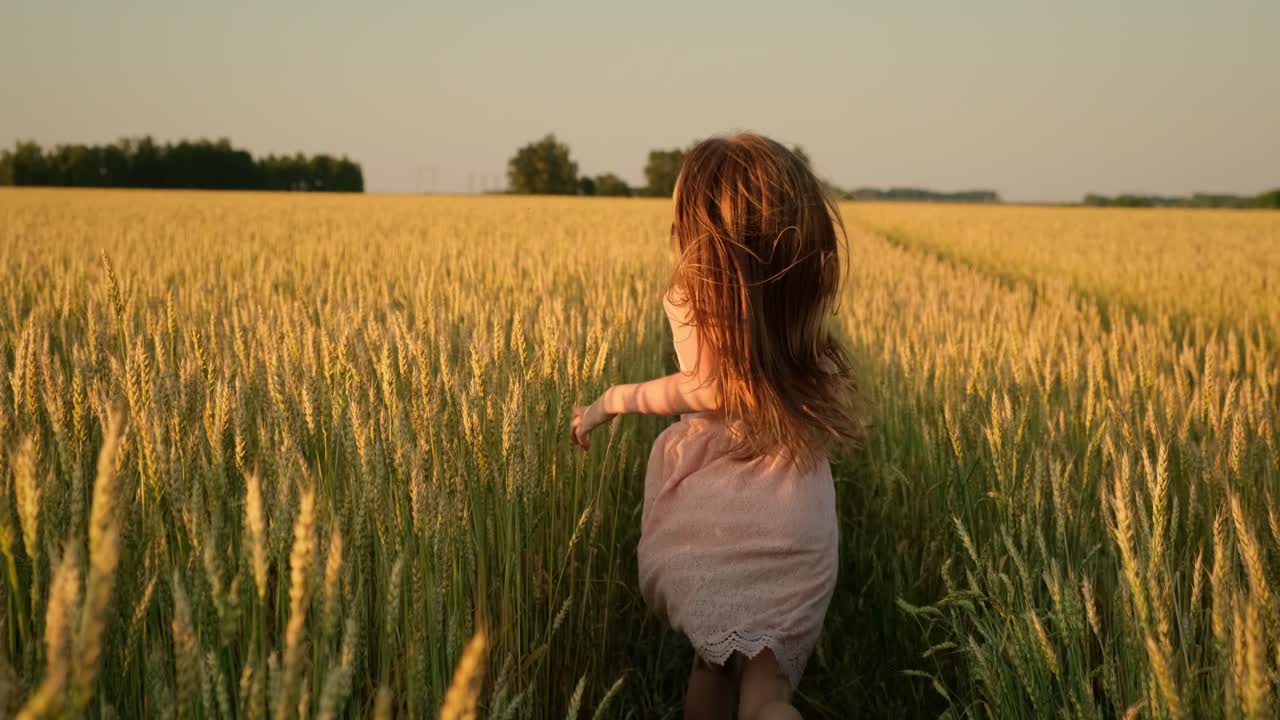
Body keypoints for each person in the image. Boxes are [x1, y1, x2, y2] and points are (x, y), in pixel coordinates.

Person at [570, 132, 865, 719]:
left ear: (701, 221)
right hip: (796, 500)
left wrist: (614, 399)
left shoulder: (694, 291)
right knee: (767, 688)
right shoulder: (784, 291)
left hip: (728, 504)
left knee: (712, 655)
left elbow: (708, 387)